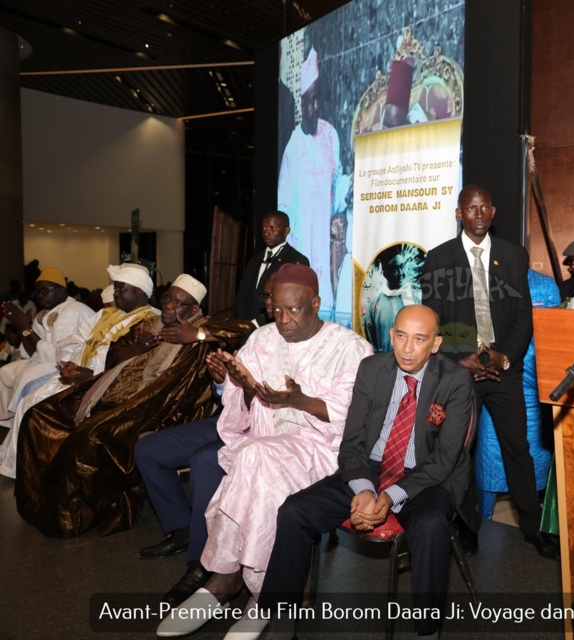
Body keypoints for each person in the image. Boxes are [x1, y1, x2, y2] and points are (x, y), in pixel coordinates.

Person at [156, 263, 373, 638]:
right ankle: (259, 590)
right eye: (276, 310)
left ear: (316, 303)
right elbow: (241, 400)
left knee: (253, 458)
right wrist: (233, 382)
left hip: (324, 448)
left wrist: (301, 400)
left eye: (294, 310)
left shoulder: (350, 347)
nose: (283, 320)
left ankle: (229, 580)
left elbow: (353, 414)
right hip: (264, 439)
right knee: (255, 458)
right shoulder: (262, 339)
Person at [249, 305, 478, 640]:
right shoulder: (372, 369)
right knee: (295, 511)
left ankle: (428, 631)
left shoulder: (455, 380)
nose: (408, 348)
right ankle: (282, 621)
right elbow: (352, 442)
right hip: (370, 468)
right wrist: (365, 491)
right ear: (391, 335)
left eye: (419, 339)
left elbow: (444, 459)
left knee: (431, 526)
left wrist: (388, 497)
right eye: (401, 336)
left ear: (436, 343)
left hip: (426, 478)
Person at [14, 274, 251, 537]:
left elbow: (247, 329)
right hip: (112, 391)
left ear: (194, 309)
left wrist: (196, 333)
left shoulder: (204, 333)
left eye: (179, 303)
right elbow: (114, 356)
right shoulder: (151, 323)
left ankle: (73, 517)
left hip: (156, 407)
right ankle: (40, 503)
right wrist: (138, 347)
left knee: (89, 435)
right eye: (168, 299)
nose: (170, 307)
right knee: (39, 416)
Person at [421, 184, 558, 560]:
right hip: (458, 372)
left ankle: (533, 530)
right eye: (471, 208)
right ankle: (465, 527)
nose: (478, 215)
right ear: (459, 213)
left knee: (519, 449)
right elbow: (432, 319)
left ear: (493, 212)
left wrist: (504, 357)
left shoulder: (514, 256)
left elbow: (522, 316)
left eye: (485, 208)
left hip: (503, 371)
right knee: (457, 451)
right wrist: (458, 359)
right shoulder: (438, 258)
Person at [136, 273, 277, 607]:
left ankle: (202, 563)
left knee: (205, 459)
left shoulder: (319, 343)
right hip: (231, 418)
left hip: (268, 429)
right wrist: (222, 382)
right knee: (148, 449)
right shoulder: (262, 338)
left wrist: (199, 334)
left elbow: (239, 332)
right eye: (269, 298)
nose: (272, 306)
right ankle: (181, 528)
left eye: (279, 299)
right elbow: (231, 390)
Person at [0, 263, 159, 479]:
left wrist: (89, 374)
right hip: (76, 374)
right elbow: (76, 339)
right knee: (28, 401)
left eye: (122, 289)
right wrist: (71, 362)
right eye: (116, 288)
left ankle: (34, 468)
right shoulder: (105, 314)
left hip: (101, 383)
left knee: (34, 407)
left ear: (139, 291)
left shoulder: (151, 320)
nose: (116, 293)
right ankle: (14, 463)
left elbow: (132, 363)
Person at [277, 47, 348, 320]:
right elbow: (283, 204)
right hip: (303, 243)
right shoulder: (293, 148)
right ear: (302, 102)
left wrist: (349, 186)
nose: (315, 107)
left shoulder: (331, 134)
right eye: (310, 101)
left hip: (326, 239)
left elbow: (337, 182)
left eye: (319, 100)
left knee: (327, 304)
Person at [0, 267, 96, 436]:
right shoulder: (44, 314)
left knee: (27, 380)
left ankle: (20, 436)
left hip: (73, 369)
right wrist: (23, 328)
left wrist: (25, 327)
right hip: (46, 362)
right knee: (3, 373)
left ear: (62, 290)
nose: (40, 296)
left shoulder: (72, 310)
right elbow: (30, 353)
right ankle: (8, 427)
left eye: (45, 290)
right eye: (37, 292)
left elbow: (59, 358)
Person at [234, 211, 309, 327]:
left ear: (286, 231)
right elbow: (241, 296)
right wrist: (241, 325)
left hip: (276, 330)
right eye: (264, 228)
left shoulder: (297, 260)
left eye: (272, 228)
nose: (266, 233)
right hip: (245, 330)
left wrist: (255, 324)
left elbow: (292, 303)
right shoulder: (253, 261)